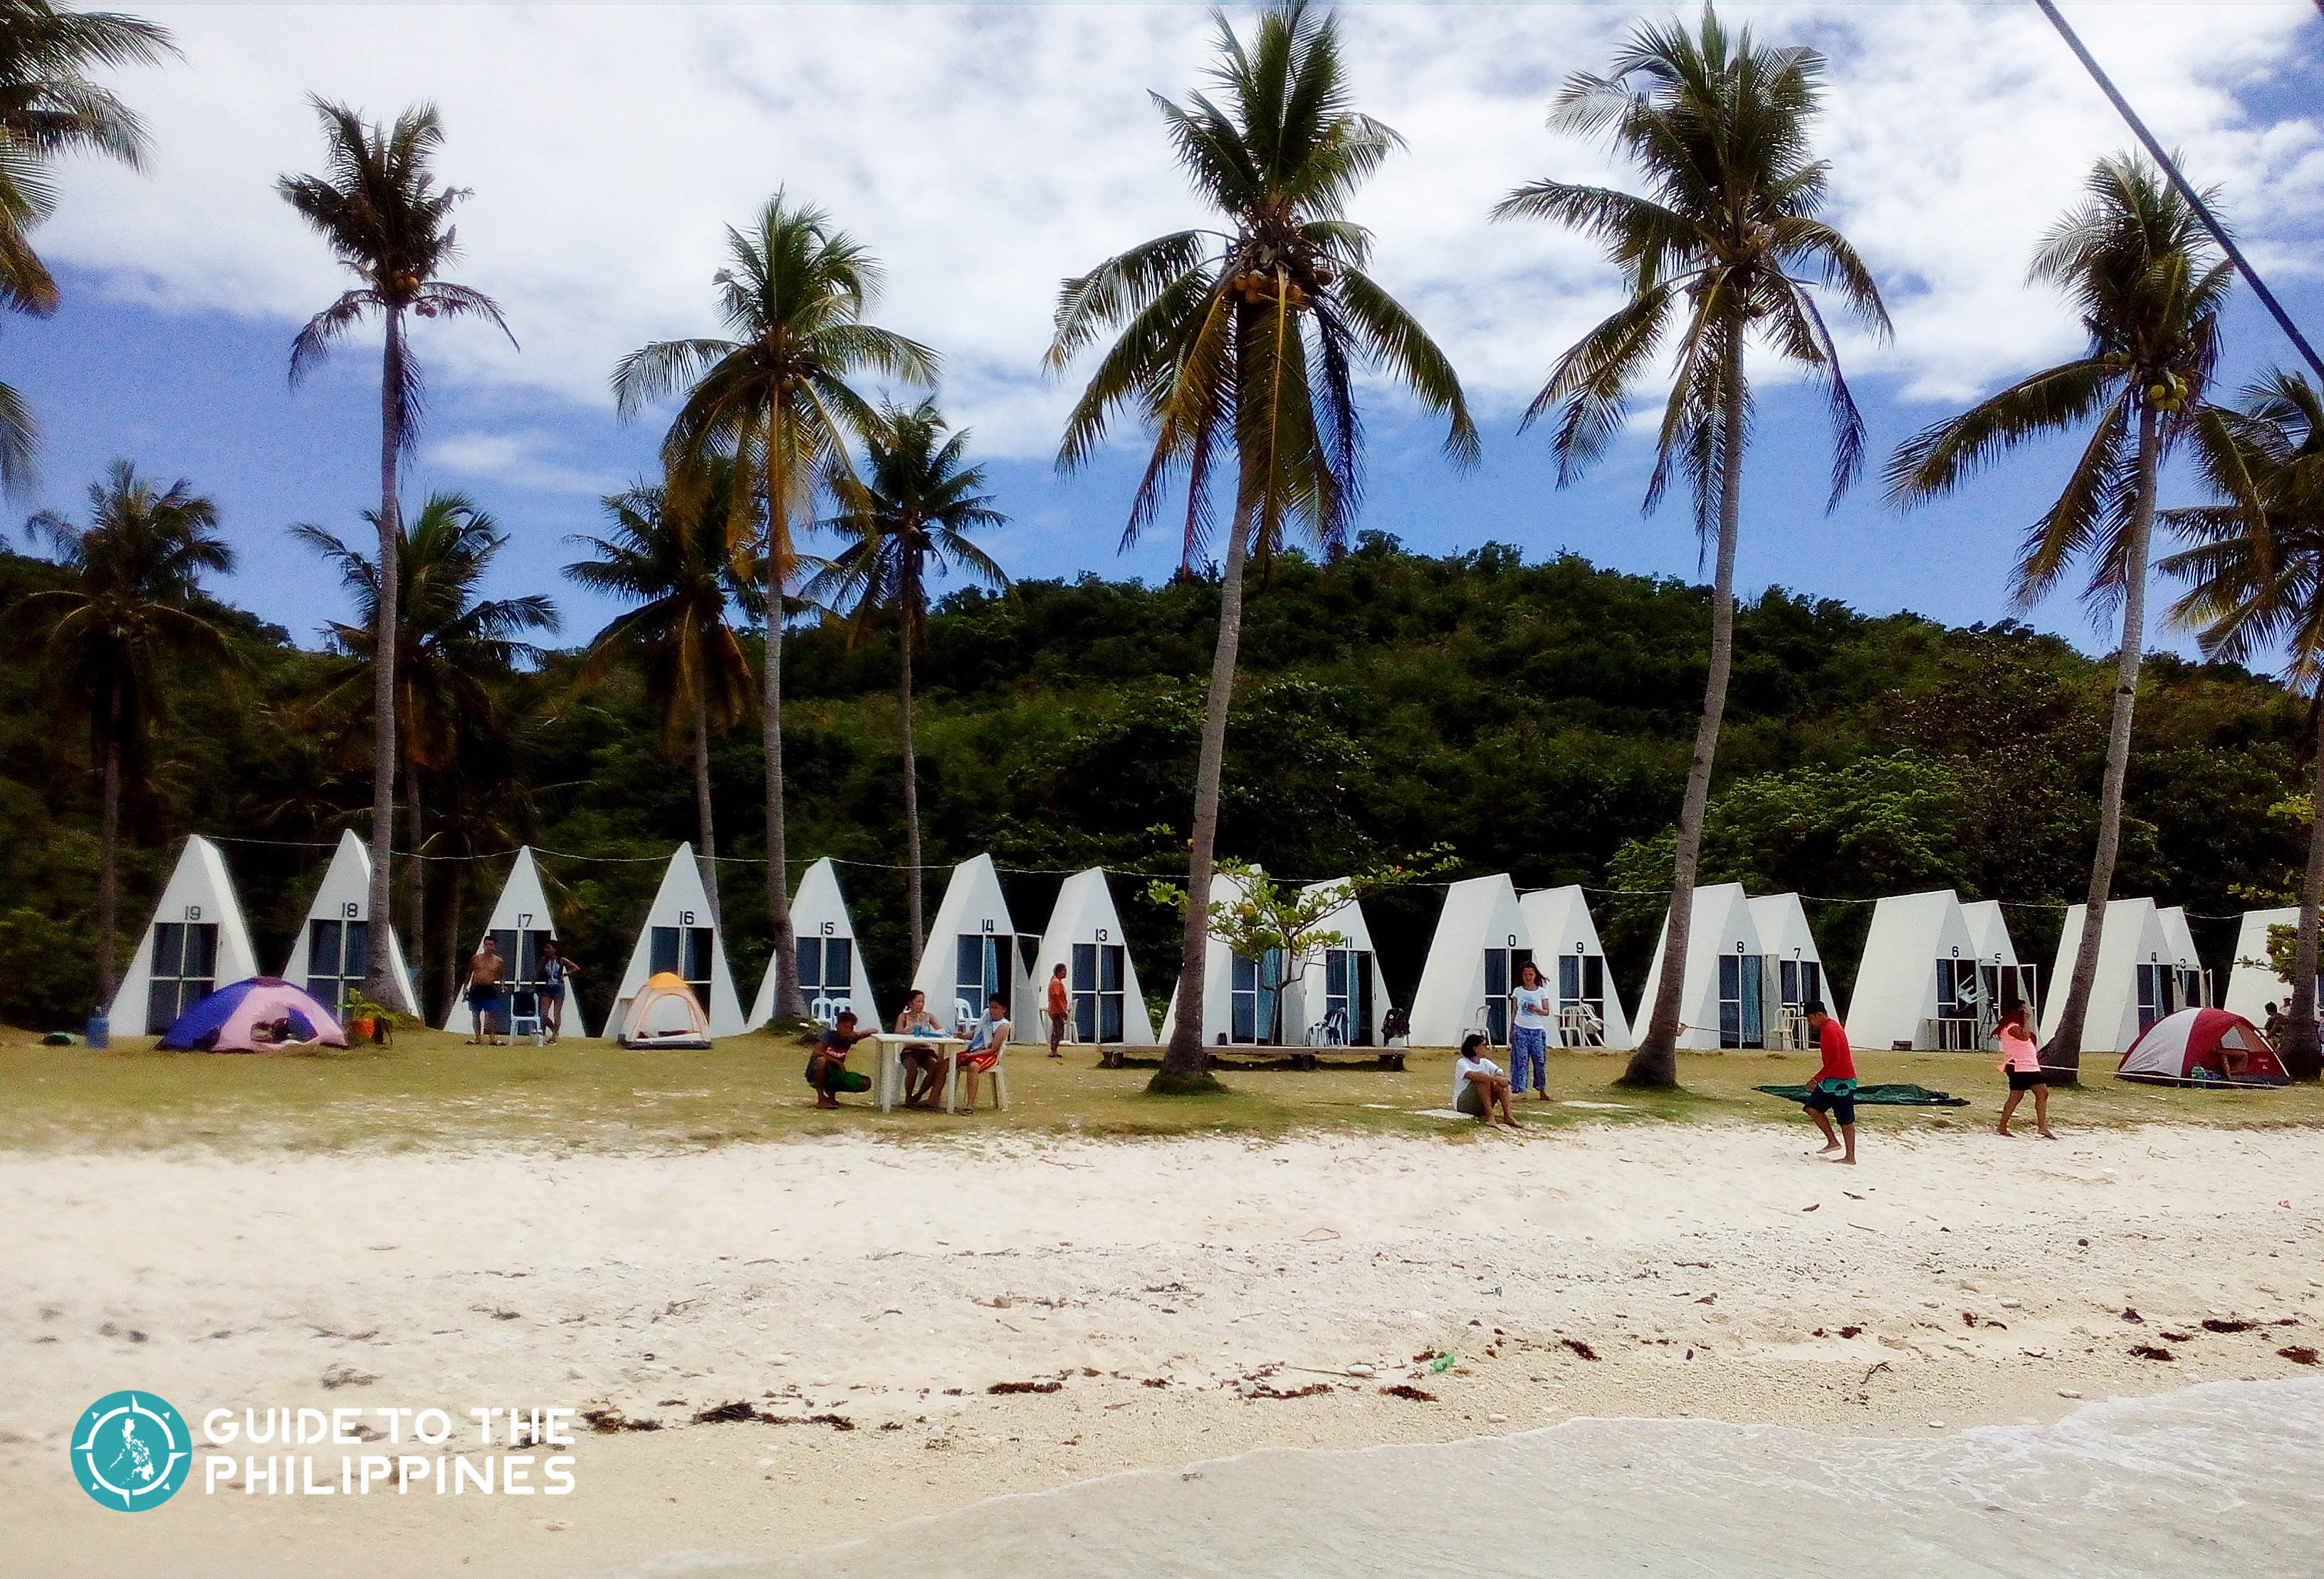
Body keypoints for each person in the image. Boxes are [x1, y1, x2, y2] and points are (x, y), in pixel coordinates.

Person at [1799, 1000, 1856, 1164]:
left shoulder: (1831, 1029)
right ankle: (1833, 1141)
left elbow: (1836, 1061)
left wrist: (1816, 1079)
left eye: (1810, 1018)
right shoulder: (1827, 1028)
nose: (1809, 1022)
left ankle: (1850, 1157)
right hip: (1830, 1080)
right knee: (1811, 1108)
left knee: (1846, 1120)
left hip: (1842, 1082)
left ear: (1819, 1015)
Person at [1993, 1001, 2053, 1139]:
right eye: (2023, 1009)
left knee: (2027, 1095)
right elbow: (2025, 1036)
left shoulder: (2014, 1026)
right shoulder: (2011, 1027)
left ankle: (2040, 1127)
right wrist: (2026, 1020)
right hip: (2020, 1066)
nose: (2026, 1011)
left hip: (2028, 1066)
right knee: (2030, 1094)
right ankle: (2040, 1127)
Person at [806, 1009, 877, 1109]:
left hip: (837, 1073)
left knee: (865, 1083)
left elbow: (873, 1030)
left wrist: (857, 1034)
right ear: (837, 1026)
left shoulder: (850, 1038)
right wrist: (838, 1062)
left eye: (850, 1028)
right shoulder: (829, 1036)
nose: (847, 1030)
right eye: (844, 1027)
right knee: (821, 1061)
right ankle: (821, 1099)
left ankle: (831, 1097)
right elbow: (817, 1052)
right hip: (819, 1072)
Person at [1507, 960, 1554, 1099]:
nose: (1528, 977)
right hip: (1520, 1028)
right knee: (1520, 1061)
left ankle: (1541, 1089)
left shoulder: (1541, 992)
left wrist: (1537, 1010)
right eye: (1526, 974)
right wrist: (1511, 1030)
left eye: (1531, 974)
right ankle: (1520, 1090)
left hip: (1537, 1030)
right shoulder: (1518, 991)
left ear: (1535, 976)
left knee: (1539, 1061)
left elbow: (1546, 1011)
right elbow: (1514, 1011)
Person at [957, 992, 1012, 1112]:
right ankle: (933, 1098)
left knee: (973, 1066)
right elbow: (975, 1034)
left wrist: (971, 1055)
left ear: (1003, 1009)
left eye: (996, 1008)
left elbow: (993, 1050)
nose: (992, 1011)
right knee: (947, 1063)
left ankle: (970, 1105)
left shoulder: (1003, 1026)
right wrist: (962, 1036)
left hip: (988, 1055)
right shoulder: (986, 1018)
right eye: (991, 1007)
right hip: (974, 1049)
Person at [1452, 1032, 1519, 1128]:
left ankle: (1508, 1116)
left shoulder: (1485, 1062)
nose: (1486, 1048)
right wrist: (1495, 1079)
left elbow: (1499, 1072)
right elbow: (1473, 1075)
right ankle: (1490, 1117)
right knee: (1484, 1080)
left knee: (1499, 1083)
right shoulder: (1462, 1062)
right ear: (1475, 1048)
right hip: (1463, 1104)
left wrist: (1500, 1081)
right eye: (1483, 1045)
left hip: (1481, 1103)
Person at [894, 990, 947, 1108]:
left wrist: (937, 1033)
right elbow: (897, 1031)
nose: (921, 1005)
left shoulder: (929, 1016)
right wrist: (908, 1031)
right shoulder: (904, 1016)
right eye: (918, 1002)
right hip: (910, 1050)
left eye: (922, 1002)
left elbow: (940, 1030)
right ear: (910, 1003)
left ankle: (918, 1095)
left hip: (926, 1050)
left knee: (935, 1067)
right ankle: (908, 1096)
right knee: (912, 1068)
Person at [466, 937, 508, 1046]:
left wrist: (502, 985)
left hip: (489, 989)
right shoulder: (476, 958)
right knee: (476, 1014)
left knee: (491, 1014)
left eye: (491, 945)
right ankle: (478, 1038)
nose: (488, 947)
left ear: (494, 946)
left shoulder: (498, 961)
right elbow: (469, 973)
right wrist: (466, 987)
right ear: (484, 945)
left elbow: (502, 975)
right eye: (487, 944)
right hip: (476, 988)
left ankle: (492, 1038)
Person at [539, 938, 577, 1044]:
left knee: (557, 1012)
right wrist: (532, 984)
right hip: (548, 986)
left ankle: (554, 1036)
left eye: (549, 948)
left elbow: (575, 968)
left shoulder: (561, 960)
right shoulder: (544, 960)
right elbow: (537, 972)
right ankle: (554, 1029)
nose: (547, 950)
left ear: (555, 949)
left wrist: (565, 974)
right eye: (546, 948)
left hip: (558, 987)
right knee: (544, 1014)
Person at [1046, 962, 1072, 1058]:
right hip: (1056, 1011)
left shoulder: (1056, 982)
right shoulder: (1056, 982)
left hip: (1056, 1010)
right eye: (1064, 971)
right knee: (1058, 1030)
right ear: (1059, 972)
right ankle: (1054, 1050)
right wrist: (1062, 1010)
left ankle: (1054, 1049)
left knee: (1057, 1029)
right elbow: (1056, 997)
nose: (1066, 973)